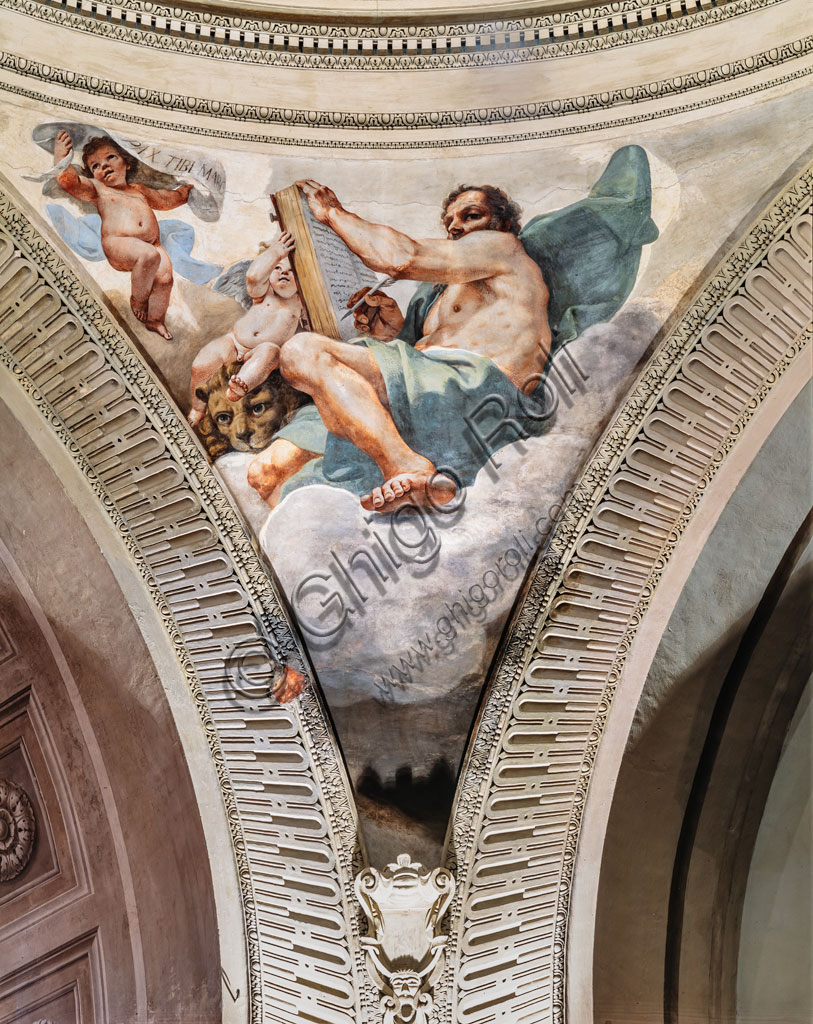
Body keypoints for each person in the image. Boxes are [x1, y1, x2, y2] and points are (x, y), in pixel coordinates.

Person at [250, 180, 552, 513]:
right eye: (450, 221)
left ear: (503, 223)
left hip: (478, 392)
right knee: (265, 473)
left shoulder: (504, 249)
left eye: (471, 216)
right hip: (420, 395)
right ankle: (402, 487)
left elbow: (401, 258)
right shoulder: (442, 292)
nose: (456, 227)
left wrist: (333, 214)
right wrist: (390, 330)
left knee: (299, 351)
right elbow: (423, 350)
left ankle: (406, 467)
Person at [52, 129, 193, 339]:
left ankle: (155, 320)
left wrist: (184, 193)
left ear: (126, 162)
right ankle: (138, 299)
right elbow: (70, 183)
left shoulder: (139, 190)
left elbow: (164, 199)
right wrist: (61, 158)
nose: (104, 166)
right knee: (148, 256)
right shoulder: (98, 190)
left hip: (152, 243)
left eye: (111, 157)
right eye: (96, 166)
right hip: (118, 243)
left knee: (164, 280)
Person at [187, 232, 305, 426]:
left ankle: (241, 384)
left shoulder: (301, 304)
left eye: (291, 271)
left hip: (264, 350)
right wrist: (275, 252)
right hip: (234, 342)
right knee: (202, 364)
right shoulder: (264, 292)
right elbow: (253, 276)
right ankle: (197, 408)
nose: (284, 272)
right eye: (277, 268)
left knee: (270, 352)